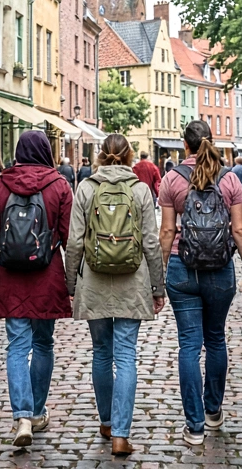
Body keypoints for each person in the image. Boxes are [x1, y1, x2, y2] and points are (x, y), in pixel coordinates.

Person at [67, 134, 165, 458]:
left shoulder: (86, 188)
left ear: (99, 156)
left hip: (94, 283)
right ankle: (121, 435)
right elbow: (151, 242)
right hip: (132, 281)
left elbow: (75, 243)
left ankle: (107, 421)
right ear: (129, 156)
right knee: (126, 356)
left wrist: (70, 285)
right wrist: (158, 287)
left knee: (100, 352)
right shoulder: (139, 190)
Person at [0, 131, 72, 447]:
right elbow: (72, 237)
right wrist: (74, 281)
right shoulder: (59, 185)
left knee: (17, 346)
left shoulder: (1, 185)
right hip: (47, 275)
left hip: (10, 277)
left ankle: (23, 416)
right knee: (43, 344)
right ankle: (39, 410)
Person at [158, 121, 242, 445]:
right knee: (216, 339)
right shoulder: (230, 179)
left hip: (182, 269)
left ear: (185, 145)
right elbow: (239, 231)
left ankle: (194, 426)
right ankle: (213, 411)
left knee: (188, 345)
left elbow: (167, 233)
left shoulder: (171, 179)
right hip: (220, 270)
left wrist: (159, 275)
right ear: (211, 142)